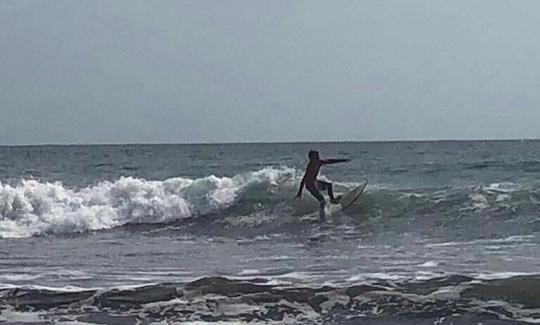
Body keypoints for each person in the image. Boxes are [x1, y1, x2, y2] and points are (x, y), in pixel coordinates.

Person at [294, 150, 351, 216]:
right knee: (322, 201)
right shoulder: (310, 166)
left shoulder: (319, 162)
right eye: (316, 155)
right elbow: (304, 178)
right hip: (310, 186)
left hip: (315, 183)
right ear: (312, 157)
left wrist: (343, 160)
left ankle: (332, 200)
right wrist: (300, 191)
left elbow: (331, 161)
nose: (318, 156)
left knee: (329, 185)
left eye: (318, 155)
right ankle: (322, 215)